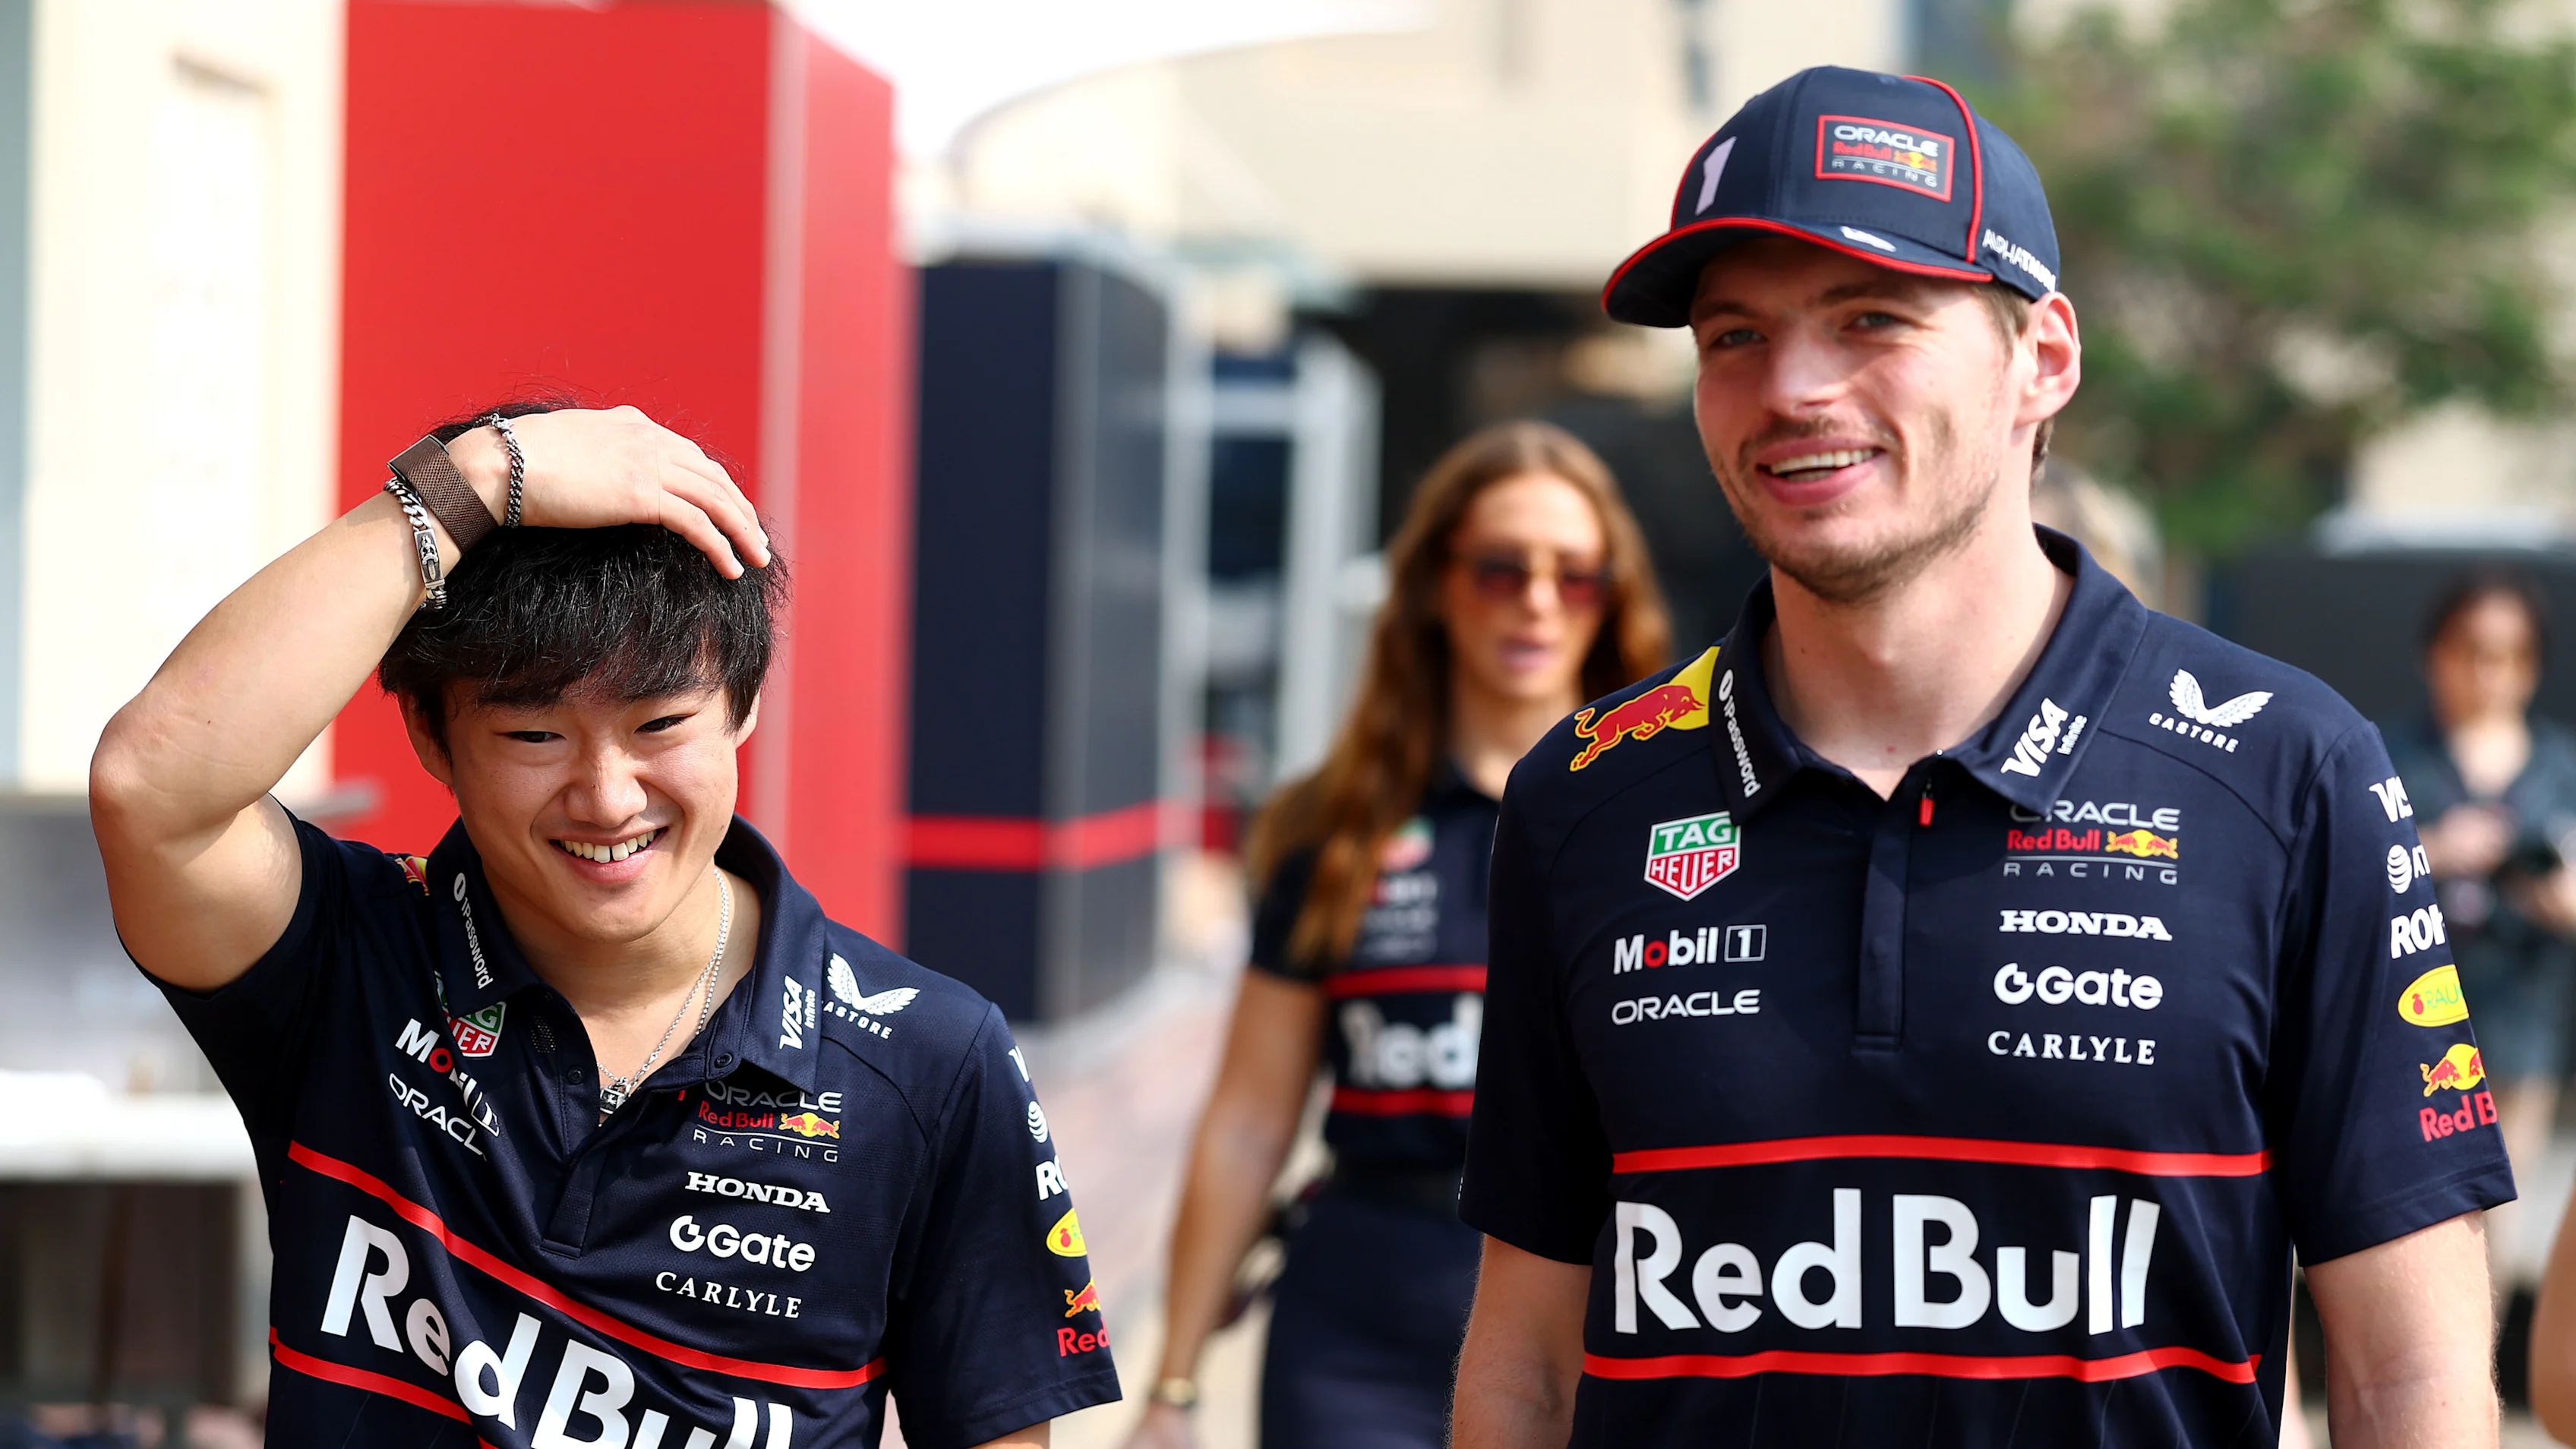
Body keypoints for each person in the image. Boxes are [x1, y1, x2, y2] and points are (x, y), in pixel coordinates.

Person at [1451, 65, 2511, 1448]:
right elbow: (1525, 1359)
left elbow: (2409, 1383)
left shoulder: (2290, 772)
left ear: (2042, 359)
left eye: (1872, 318)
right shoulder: (1586, 793)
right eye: (1733, 336)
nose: (1793, 387)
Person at [89, 404, 1118, 1447]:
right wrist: (479, 479)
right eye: (535, 733)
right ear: (430, 736)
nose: (607, 797)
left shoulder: (930, 1061)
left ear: (742, 706)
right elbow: (151, 788)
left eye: (660, 724)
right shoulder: (350, 959)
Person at [1123, 422, 1668, 1449]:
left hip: (1603, 1314)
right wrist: (1175, 1387)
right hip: (1361, 1324)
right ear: (1433, 585)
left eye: (1576, 576)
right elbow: (1248, 1122)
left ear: (1613, 596)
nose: (1538, 602)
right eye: (1501, 570)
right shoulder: (1332, 829)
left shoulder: (1677, 817)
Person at [2386, 572, 2576, 1195]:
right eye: (2470, 651)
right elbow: (2339, 872)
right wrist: (2433, 850)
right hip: (2407, 1016)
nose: (2489, 673)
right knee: (2412, 1194)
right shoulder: (2387, 754)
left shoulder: (2559, 768)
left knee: (2497, 1198)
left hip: (2521, 1012)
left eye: (2509, 656)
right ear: (2433, 654)